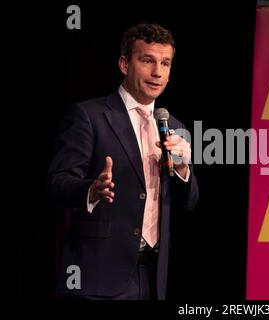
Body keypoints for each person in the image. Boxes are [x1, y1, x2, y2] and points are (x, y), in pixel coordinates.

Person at [48, 23, 199, 300]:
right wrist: (91, 190)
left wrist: (181, 169)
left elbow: (187, 203)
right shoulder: (89, 116)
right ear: (124, 64)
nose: (158, 72)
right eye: (147, 60)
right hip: (99, 274)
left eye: (165, 63)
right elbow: (58, 184)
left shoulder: (174, 126)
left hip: (154, 278)